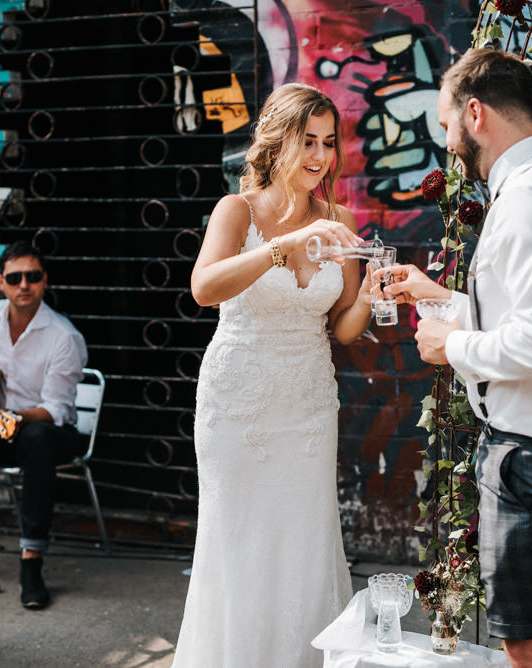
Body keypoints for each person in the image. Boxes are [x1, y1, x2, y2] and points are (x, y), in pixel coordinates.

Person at [385, 49, 532, 667]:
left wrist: (449, 345)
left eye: (445, 125)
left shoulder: (526, 200)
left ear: (474, 113)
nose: (446, 142)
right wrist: (441, 299)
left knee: (529, 649)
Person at [171, 82, 374, 668]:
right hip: (240, 403)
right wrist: (281, 246)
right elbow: (204, 288)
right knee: (239, 545)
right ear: (277, 140)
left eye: (328, 142)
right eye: (306, 140)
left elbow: (342, 327)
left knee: (306, 543)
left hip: (309, 405)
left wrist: (374, 295)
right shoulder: (238, 210)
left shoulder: (339, 220)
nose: (319, 156)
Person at [0, 240, 88, 610]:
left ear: (44, 280)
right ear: (1, 283)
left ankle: (31, 562)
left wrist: (11, 418)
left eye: (32, 276)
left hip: (48, 433)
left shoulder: (63, 337)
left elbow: (56, 409)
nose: (24, 285)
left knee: (37, 438)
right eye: (14, 278)